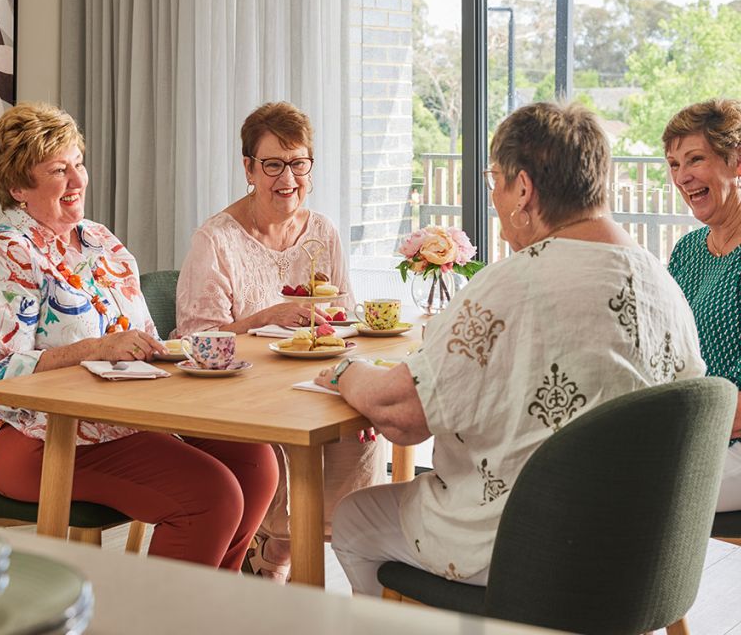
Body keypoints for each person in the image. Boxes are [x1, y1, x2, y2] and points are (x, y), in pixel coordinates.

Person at [314, 102, 705, 596]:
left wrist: (345, 370)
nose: (494, 199)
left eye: (493, 180)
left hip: (532, 547)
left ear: (523, 188)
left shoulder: (511, 284)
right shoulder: (661, 282)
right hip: (647, 547)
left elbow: (401, 416)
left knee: (354, 517)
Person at [0, 103, 278, 569]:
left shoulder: (101, 242)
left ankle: (205, 610)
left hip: (123, 419)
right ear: (19, 187)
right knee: (211, 495)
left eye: (78, 164)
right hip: (36, 437)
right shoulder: (3, 254)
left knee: (255, 464)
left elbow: (145, 340)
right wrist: (93, 349)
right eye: (57, 170)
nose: (76, 180)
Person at [177, 101, 385, 582]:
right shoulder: (215, 241)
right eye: (272, 164)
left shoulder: (323, 232)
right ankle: (277, 554)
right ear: (248, 168)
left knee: (359, 430)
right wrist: (264, 317)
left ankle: (280, 552)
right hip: (241, 396)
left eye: (298, 164)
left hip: (310, 384)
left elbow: (345, 319)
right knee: (295, 438)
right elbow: (196, 342)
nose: (286, 178)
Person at [665, 98, 741, 512]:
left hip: (731, 443)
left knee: (629, 489)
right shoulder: (688, 250)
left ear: (736, 161)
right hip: (696, 431)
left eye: (695, 159)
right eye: (674, 164)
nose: (682, 176)